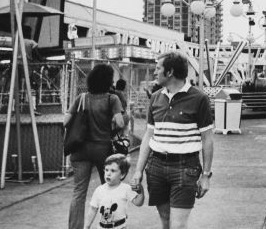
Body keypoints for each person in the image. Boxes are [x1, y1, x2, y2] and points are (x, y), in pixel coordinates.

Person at [130, 51, 214, 229]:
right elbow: (149, 135)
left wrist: (205, 176)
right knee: (165, 221)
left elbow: (207, 138)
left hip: (185, 167)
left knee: (178, 226)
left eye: (158, 68)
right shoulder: (155, 97)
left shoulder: (199, 99)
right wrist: (138, 170)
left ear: (169, 72)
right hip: (156, 167)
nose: (154, 72)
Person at [66, 64, 125, 229]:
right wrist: (111, 132)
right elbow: (120, 122)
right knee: (109, 189)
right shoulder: (111, 99)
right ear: (108, 81)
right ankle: (110, 224)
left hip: (80, 150)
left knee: (78, 192)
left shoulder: (82, 98)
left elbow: (66, 121)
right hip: (103, 150)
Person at [86, 154, 144, 229]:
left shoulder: (125, 188)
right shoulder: (99, 190)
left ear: (122, 175)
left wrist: (140, 191)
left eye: (113, 171)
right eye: (106, 170)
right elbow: (93, 209)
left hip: (120, 227)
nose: (108, 174)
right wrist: (86, 226)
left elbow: (138, 202)